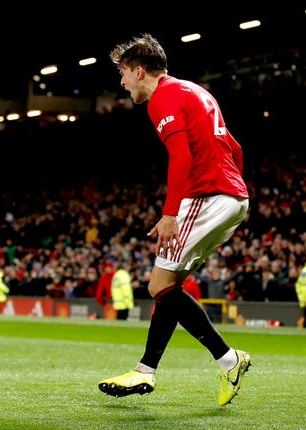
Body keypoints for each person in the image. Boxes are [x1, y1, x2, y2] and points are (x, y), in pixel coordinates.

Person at [98, 34, 251, 406]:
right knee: (169, 287)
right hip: (229, 194)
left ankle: (229, 359)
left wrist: (171, 213)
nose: (121, 82)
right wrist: (235, 193)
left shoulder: (161, 98)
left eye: (122, 73)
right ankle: (146, 370)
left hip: (208, 195)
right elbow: (235, 147)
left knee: (159, 286)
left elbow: (180, 156)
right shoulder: (194, 91)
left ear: (139, 70)